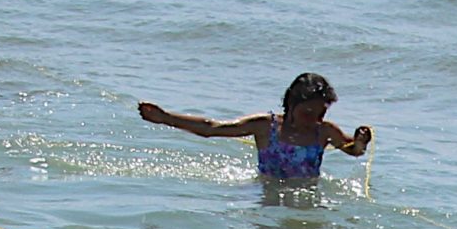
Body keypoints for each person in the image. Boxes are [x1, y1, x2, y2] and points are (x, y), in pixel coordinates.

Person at [137, 74, 372, 183]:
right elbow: (212, 128)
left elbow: (353, 150)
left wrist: (361, 141)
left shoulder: (324, 132)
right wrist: (165, 117)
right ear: (291, 103)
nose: (314, 119)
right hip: (267, 192)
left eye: (321, 113)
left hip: (308, 196)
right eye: (308, 112)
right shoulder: (265, 126)